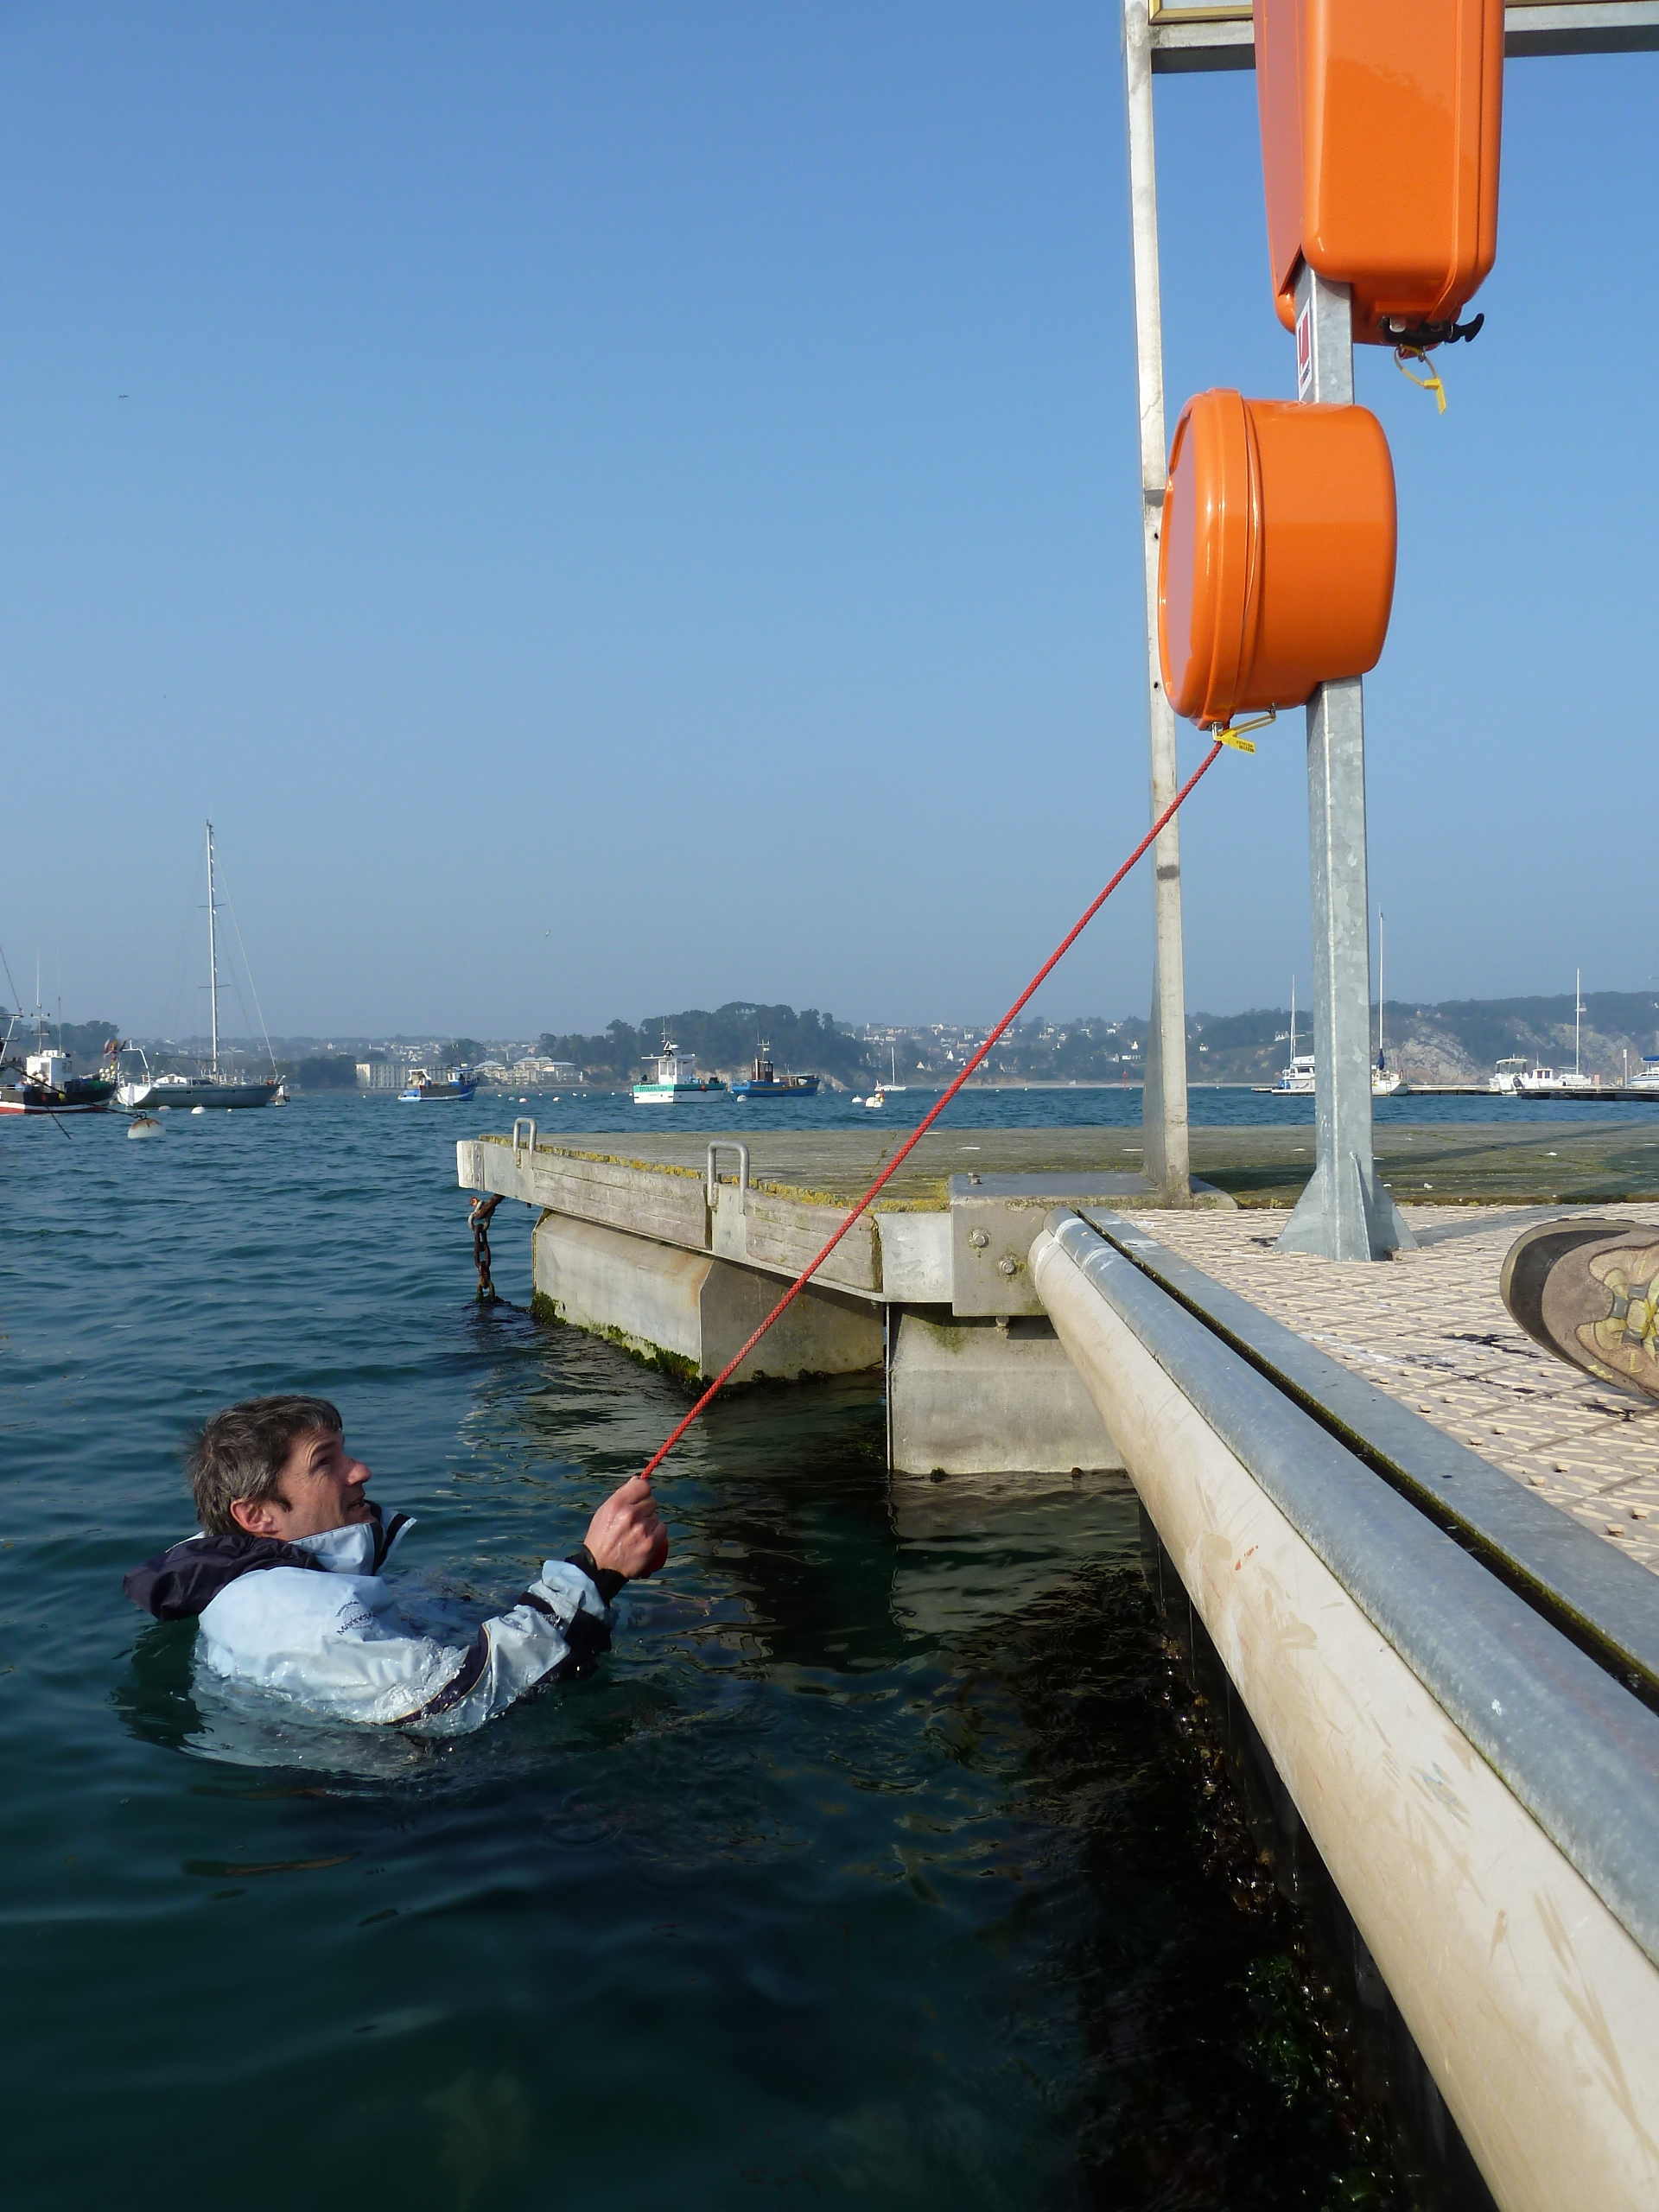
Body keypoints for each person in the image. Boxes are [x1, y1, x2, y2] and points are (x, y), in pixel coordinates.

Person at [123, 1394, 668, 1733]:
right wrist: (595, 1572)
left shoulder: (293, 1581)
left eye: (346, 1451)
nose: (361, 1471)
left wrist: (624, 1602)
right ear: (257, 1515)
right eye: (326, 1463)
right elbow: (446, 1702)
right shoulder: (280, 1610)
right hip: (399, 1814)